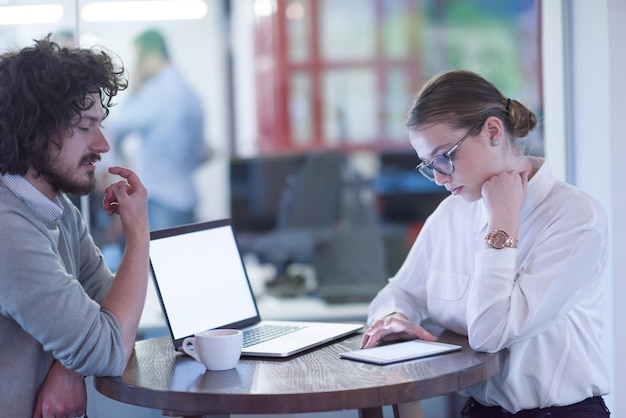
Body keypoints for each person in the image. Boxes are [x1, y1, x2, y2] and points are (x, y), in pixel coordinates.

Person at [361, 70, 611, 417]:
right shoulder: (452, 213)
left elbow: (489, 334)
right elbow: (399, 292)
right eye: (428, 165)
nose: (438, 178)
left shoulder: (576, 217)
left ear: (493, 131)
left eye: (444, 157)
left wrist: (502, 223)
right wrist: (393, 319)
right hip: (478, 409)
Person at [0, 36, 150, 417]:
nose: (102, 144)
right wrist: (138, 236)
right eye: (86, 126)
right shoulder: (8, 231)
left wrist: (70, 365)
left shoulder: (58, 209)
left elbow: (112, 318)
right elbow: (109, 350)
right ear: (35, 130)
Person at [106, 29, 209, 231]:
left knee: (156, 262)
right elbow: (199, 153)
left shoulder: (155, 93)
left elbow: (114, 126)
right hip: (187, 198)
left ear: (151, 56)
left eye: (139, 58)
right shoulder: (191, 94)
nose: (137, 65)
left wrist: (134, 89)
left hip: (161, 201)